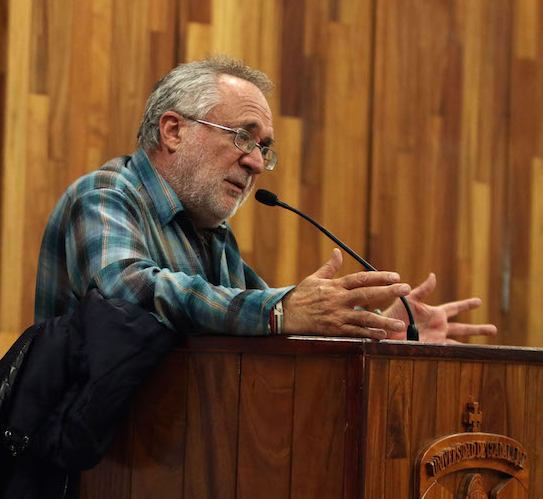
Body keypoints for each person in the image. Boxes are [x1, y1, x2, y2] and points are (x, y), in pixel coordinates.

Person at [35, 56, 497, 343]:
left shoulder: (212, 236)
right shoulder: (103, 198)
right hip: (87, 480)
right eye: (242, 137)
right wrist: (279, 312)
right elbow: (129, 295)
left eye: (263, 148)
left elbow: (272, 324)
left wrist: (379, 330)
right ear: (173, 130)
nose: (256, 162)